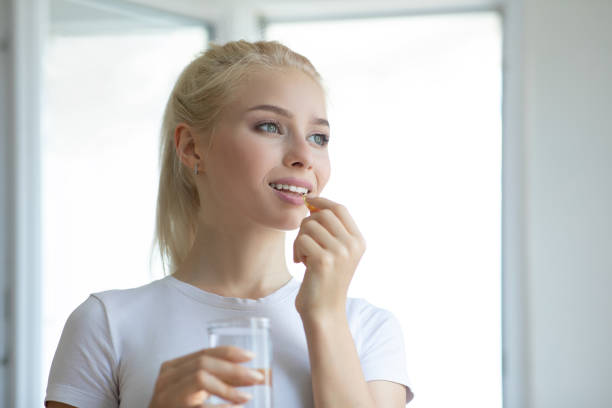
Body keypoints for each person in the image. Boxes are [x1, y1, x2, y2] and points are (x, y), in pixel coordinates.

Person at [45, 40, 413, 408]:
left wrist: (325, 315)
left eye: (319, 137)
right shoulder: (105, 324)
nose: (304, 156)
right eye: (270, 126)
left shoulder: (367, 329)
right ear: (191, 148)